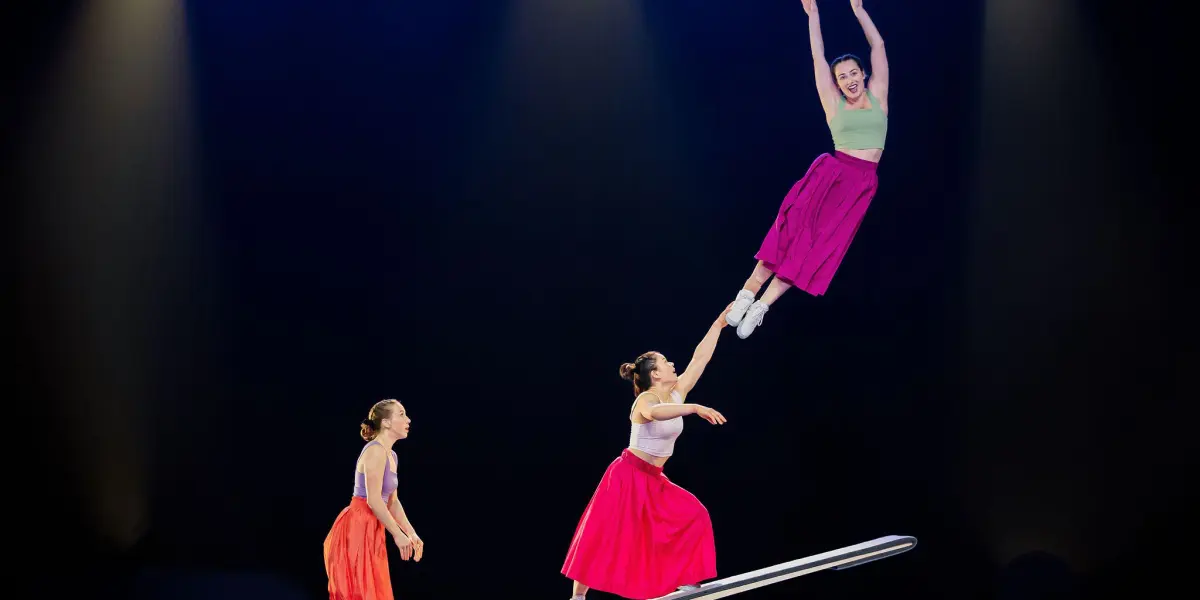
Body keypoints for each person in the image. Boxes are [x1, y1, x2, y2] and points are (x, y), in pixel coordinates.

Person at [725, 0, 890, 339]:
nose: (848, 80)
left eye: (852, 73)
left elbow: (878, 45)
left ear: (864, 75)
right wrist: (813, 15)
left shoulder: (878, 96)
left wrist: (858, 11)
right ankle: (745, 295)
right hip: (831, 174)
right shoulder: (833, 102)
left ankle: (762, 306)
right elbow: (818, 57)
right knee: (789, 233)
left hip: (860, 185)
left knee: (815, 246)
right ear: (837, 82)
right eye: (841, 76)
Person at [562, 305, 732, 600]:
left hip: (655, 479)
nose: (672, 364)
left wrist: (718, 324)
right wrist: (694, 407)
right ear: (655, 373)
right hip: (627, 474)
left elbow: (699, 359)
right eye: (666, 362)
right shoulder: (645, 400)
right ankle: (578, 597)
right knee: (604, 533)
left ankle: (689, 581)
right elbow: (654, 413)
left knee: (695, 514)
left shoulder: (676, 392)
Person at [323, 399, 424, 600]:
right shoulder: (375, 451)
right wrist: (397, 534)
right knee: (361, 592)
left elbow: (392, 501)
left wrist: (411, 533)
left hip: (373, 526)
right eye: (402, 414)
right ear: (386, 422)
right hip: (358, 525)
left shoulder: (391, 456)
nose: (408, 419)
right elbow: (374, 500)